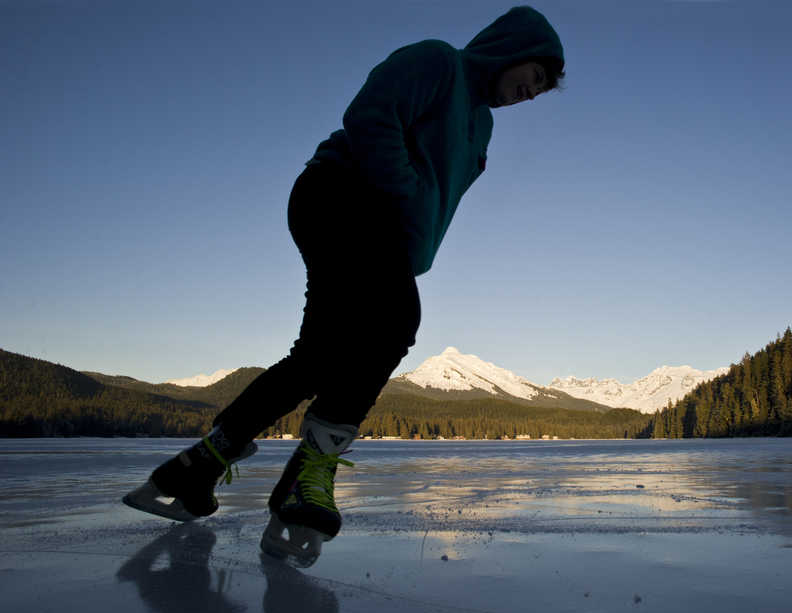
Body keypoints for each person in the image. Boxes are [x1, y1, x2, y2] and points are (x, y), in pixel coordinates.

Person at [124, 6, 565, 567]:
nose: (530, 93)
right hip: (338, 193)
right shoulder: (437, 62)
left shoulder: (483, 125)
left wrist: (415, 245)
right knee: (396, 320)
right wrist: (403, 197)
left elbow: (442, 196)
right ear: (510, 48)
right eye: (533, 77)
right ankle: (307, 477)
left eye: (541, 92)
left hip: (383, 228)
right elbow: (371, 116)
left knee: (317, 357)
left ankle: (196, 468)